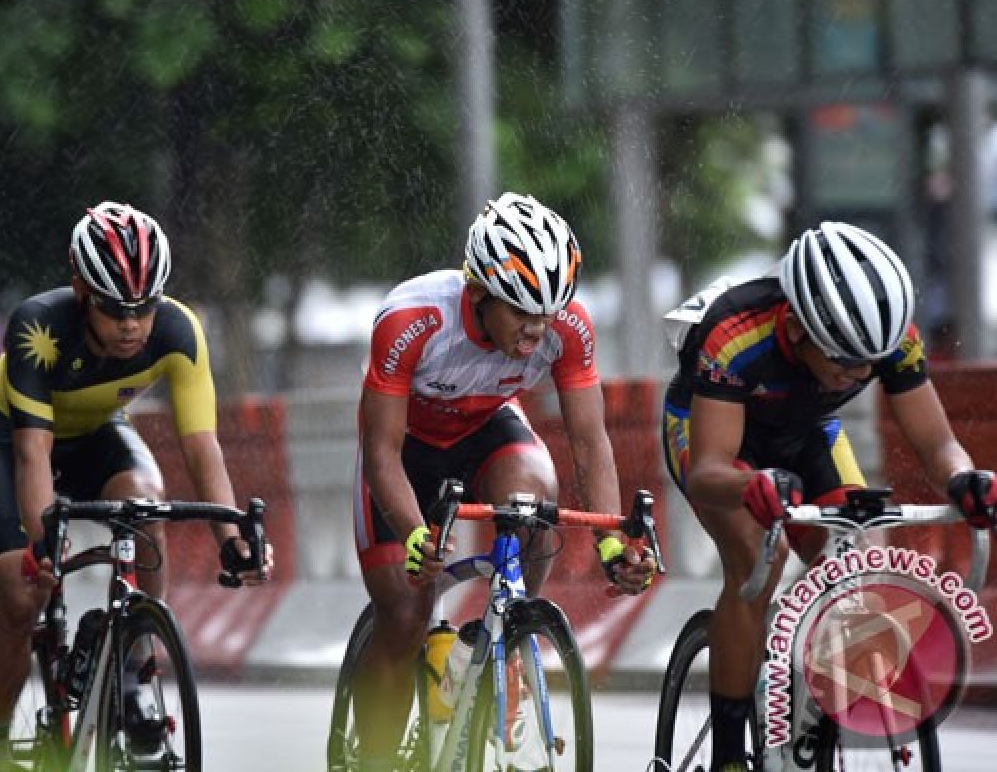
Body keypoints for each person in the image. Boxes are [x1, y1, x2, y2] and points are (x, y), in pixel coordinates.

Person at [661, 221, 997, 772]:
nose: (860, 374)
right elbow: (709, 471)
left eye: (871, 364)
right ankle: (727, 756)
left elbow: (939, 445)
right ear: (795, 327)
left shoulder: (885, 336)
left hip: (806, 434)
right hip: (718, 447)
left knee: (851, 560)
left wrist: (964, 479)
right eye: (844, 361)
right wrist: (753, 485)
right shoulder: (735, 333)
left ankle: (812, 714)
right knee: (755, 562)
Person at [351, 192, 657, 770]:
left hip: (487, 427)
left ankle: (508, 627)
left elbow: (590, 442)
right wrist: (417, 535)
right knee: (404, 610)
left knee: (533, 500)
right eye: (520, 311)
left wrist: (613, 542)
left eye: (548, 311)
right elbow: (380, 451)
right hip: (404, 450)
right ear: (479, 295)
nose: (536, 330)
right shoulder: (412, 321)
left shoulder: (565, 327)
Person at [0, 201, 273, 766]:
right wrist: (42, 547)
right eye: (114, 310)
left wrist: (230, 537)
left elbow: (202, 446)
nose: (132, 325)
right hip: (12, 436)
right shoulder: (39, 326)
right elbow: (34, 453)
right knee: (18, 596)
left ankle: (132, 664)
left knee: (146, 505)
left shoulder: (179, 332)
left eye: (144, 308)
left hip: (96, 431)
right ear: (83, 292)